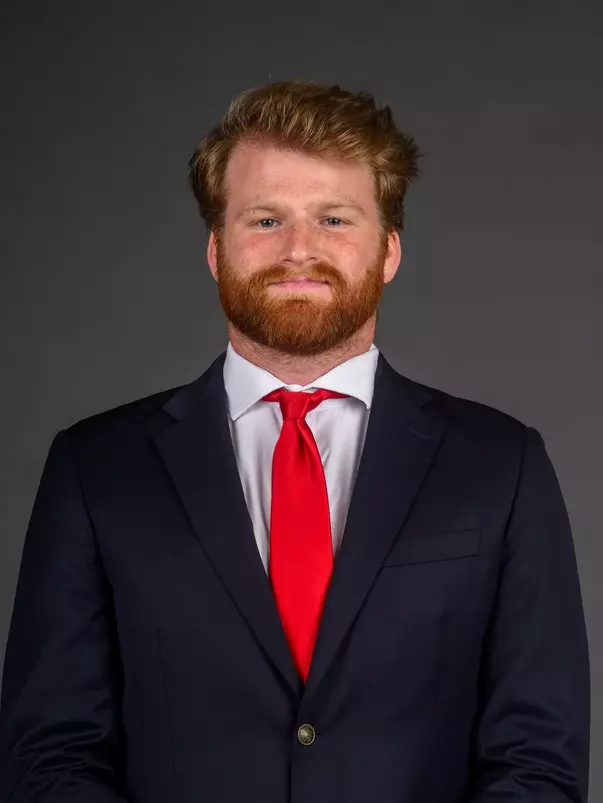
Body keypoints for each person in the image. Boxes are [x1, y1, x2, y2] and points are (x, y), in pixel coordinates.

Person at [0, 79, 590, 803]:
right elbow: (50, 753)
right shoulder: (94, 469)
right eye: (265, 219)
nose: (299, 250)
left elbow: (537, 758)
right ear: (216, 250)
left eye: (335, 219)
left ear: (388, 251)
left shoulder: (502, 466)